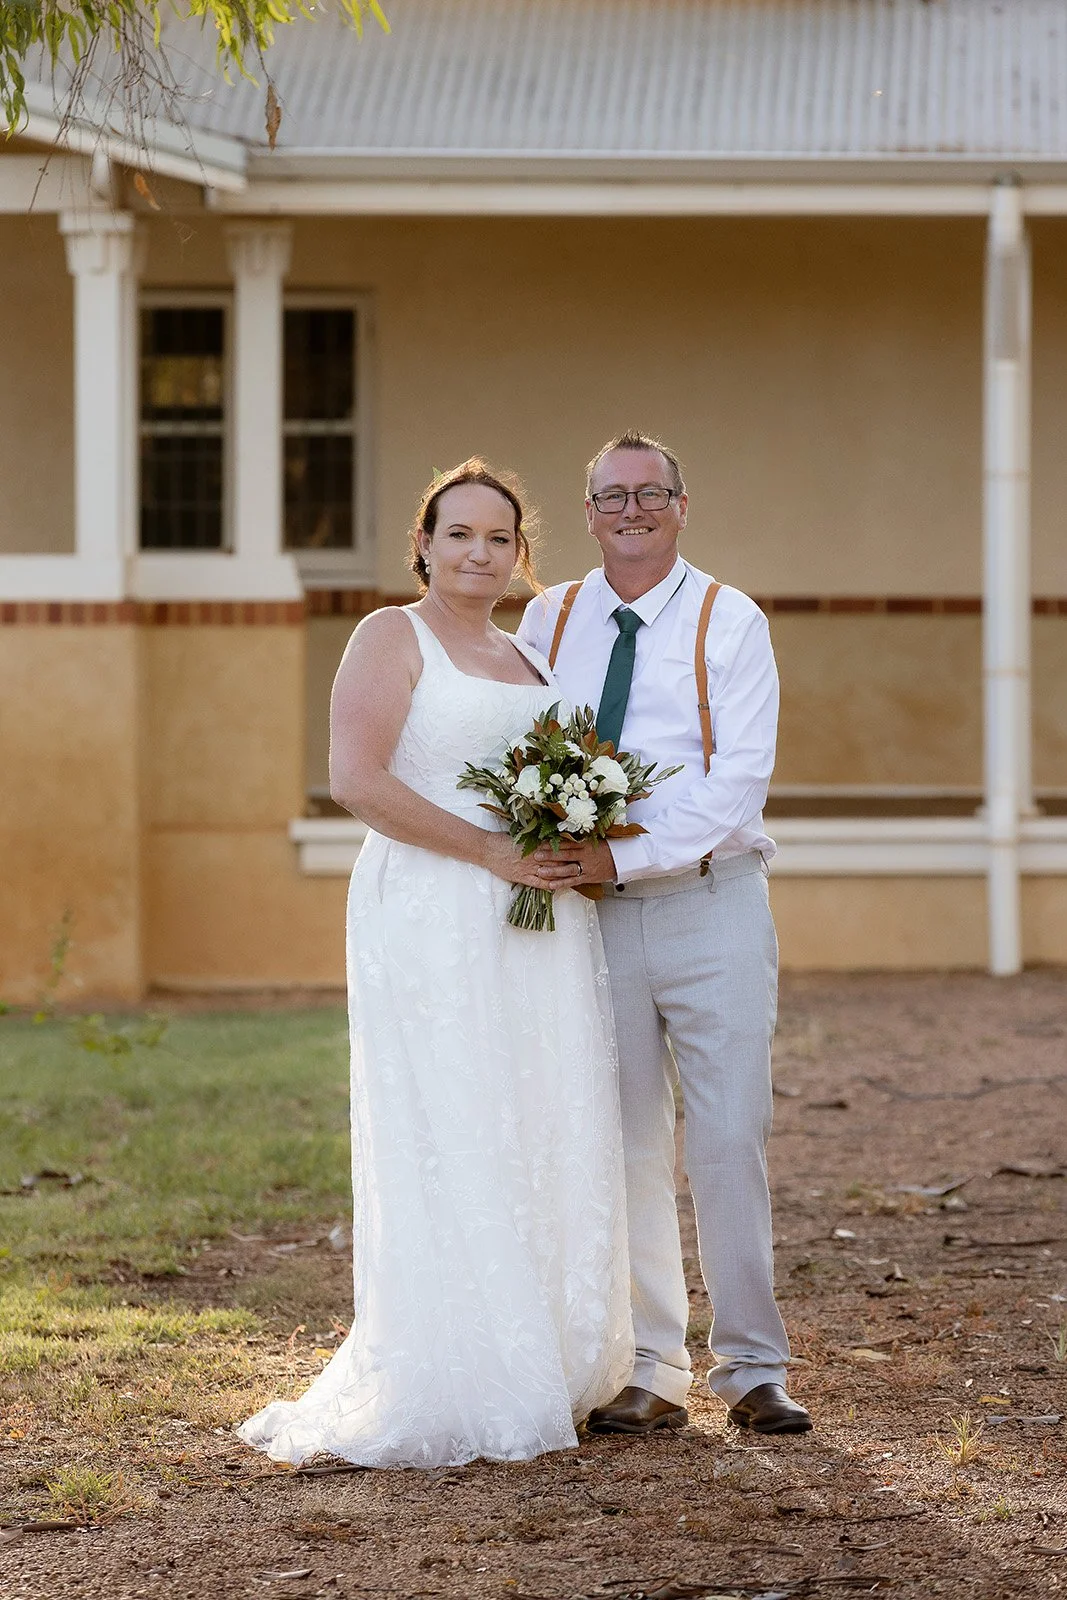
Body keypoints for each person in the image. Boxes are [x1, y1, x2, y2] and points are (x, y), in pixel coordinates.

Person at [238, 460, 632, 1470]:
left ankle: (546, 1353)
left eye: (497, 539)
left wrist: (570, 845)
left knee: (539, 1109)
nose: (477, 553)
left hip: (536, 924)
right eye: (458, 533)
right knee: (453, 1113)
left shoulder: (526, 655)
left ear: (518, 554)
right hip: (428, 913)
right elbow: (356, 780)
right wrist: (492, 850)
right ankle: (459, 1368)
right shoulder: (388, 635)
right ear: (422, 543)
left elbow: (555, 784)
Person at [517, 431, 811, 1437]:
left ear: (682, 505)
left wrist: (617, 853)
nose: (630, 509)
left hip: (708, 901)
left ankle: (752, 1366)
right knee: (626, 1141)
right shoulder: (547, 617)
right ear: (588, 512)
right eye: (610, 496)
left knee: (727, 1136)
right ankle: (650, 1366)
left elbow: (736, 785)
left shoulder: (729, 619)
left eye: (650, 493)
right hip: (586, 923)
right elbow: (519, 751)